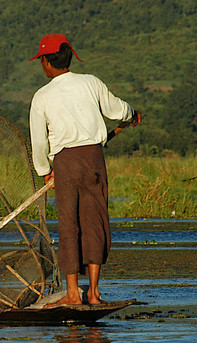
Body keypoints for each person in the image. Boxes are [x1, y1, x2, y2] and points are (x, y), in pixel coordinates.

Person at [29, 33, 141, 306]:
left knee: (70, 225)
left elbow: (39, 141)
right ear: (68, 57)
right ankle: (92, 292)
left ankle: (72, 294)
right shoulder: (91, 83)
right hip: (93, 160)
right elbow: (119, 110)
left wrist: (45, 170)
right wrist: (132, 114)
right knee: (95, 222)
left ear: (46, 62)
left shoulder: (41, 96)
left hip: (65, 163)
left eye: (41, 60)